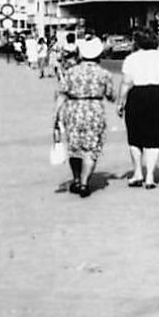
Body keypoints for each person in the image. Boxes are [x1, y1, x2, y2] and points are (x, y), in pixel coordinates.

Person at [53, 35, 116, 197]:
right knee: (91, 148)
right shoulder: (104, 74)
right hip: (94, 110)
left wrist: (56, 115)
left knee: (74, 147)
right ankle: (84, 182)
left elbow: (61, 94)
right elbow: (111, 95)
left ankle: (75, 179)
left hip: (73, 109)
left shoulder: (71, 72)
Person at [118, 30, 159, 187]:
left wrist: (120, 102)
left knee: (135, 136)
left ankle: (137, 173)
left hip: (137, 95)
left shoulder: (131, 58)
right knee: (155, 137)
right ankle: (150, 177)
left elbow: (126, 82)